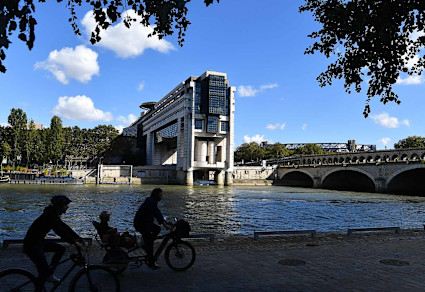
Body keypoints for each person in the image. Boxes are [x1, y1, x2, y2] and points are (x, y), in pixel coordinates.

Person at [23, 195, 84, 291]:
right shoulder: (50, 215)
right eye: (65, 205)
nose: (67, 207)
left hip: (38, 242)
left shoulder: (52, 214)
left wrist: (78, 238)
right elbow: (59, 230)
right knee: (43, 272)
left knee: (60, 249)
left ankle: (49, 273)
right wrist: (73, 242)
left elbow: (64, 227)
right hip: (32, 246)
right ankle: (47, 277)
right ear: (59, 206)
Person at [134, 188, 171, 269]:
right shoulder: (151, 202)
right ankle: (151, 262)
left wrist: (165, 222)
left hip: (144, 223)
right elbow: (157, 214)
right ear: (156, 195)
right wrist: (165, 225)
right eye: (160, 195)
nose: (162, 197)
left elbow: (158, 213)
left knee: (157, 229)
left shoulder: (151, 201)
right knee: (150, 243)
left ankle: (147, 242)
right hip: (142, 224)